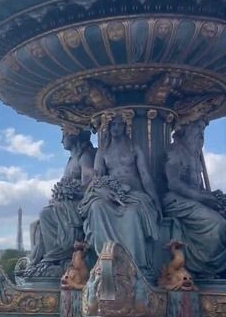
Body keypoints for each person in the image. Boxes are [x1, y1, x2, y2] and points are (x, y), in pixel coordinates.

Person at [80, 113, 161, 274]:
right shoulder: (103, 151)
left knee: (131, 214)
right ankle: (104, 260)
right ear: (109, 128)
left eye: (119, 125)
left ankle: (134, 265)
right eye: (113, 125)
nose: (116, 128)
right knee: (96, 207)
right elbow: (97, 177)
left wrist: (155, 200)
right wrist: (104, 191)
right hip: (110, 193)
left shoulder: (134, 148)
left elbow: (145, 176)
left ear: (125, 127)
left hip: (134, 193)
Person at [163, 118, 226, 276]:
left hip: (192, 199)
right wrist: (200, 197)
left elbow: (197, 186)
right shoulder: (175, 151)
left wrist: (211, 196)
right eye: (197, 130)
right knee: (217, 224)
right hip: (175, 201)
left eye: (202, 131)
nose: (200, 135)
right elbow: (173, 184)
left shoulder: (194, 155)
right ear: (185, 131)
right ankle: (206, 267)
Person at [28, 127, 96, 273]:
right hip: (67, 202)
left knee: (45, 214)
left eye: (63, 135)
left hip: (80, 202)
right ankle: (46, 258)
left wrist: (69, 193)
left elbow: (89, 183)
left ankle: (56, 258)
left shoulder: (85, 156)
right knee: (35, 224)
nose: (61, 140)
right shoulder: (72, 159)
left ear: (73, 135)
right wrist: (60, 195)